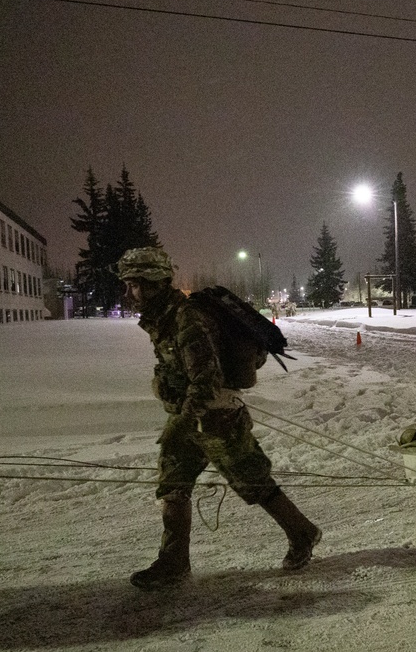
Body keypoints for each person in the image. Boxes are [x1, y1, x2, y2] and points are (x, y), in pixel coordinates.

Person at [117, 246, 321, 589]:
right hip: (188, 417)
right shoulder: (163, 318)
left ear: (154, 283)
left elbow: (206, 380)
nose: (130, 293)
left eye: (135, 285)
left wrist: (184, 416)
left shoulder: (186, 319)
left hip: (216, 418)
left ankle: (303, 532)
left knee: (252, 480)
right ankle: (173, 562)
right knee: (173, 484)